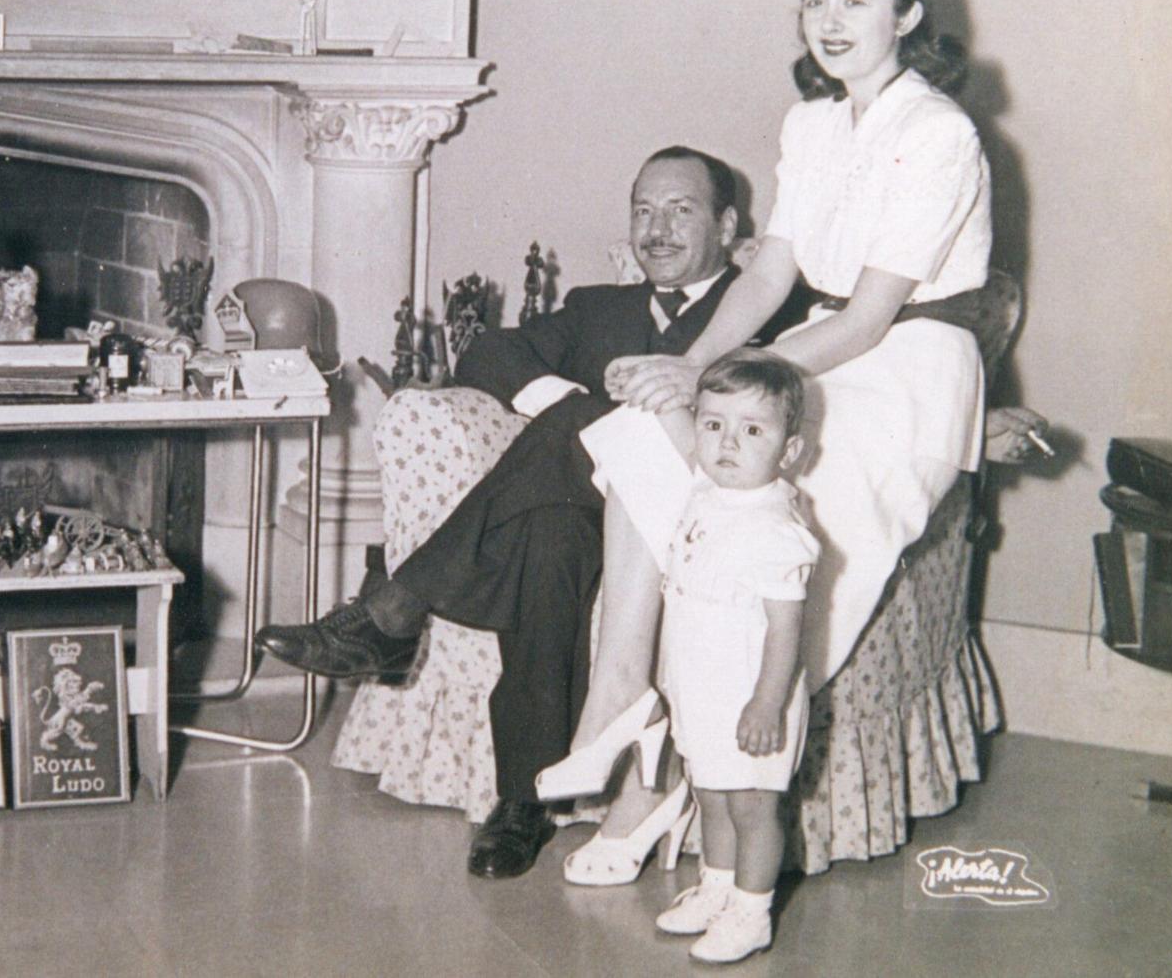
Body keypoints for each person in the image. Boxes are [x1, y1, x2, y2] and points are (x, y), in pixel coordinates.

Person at [540, 0, 992, 889]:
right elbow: (766, 273)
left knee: (758, 532)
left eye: (854, 0)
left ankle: (676, 777)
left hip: (902, 373)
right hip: (810, 349)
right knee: (643, 441)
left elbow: (868, 320)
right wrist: (684, 363)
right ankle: (620, 704)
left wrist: (717, 382)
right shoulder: (811, 122)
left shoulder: (937, 132)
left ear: (906, 13)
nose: (827, 21)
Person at [257, 145, 806, 879]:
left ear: (728, 222)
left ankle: (395, 607)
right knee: (544, 533)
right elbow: (486, 351)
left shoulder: (764, 307)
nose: (658, 229)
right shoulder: (596, 307)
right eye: (642, 210)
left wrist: (591, 416)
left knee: (590, 423)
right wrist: (567, 407)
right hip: (589, 511)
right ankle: (522, 799)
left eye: (680, 210)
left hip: (702, 518)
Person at [647, 352, 818, 964]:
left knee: (752, 805)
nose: (727, 442)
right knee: (710, 793)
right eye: (714, 424)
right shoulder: (709, 493)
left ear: (789, 449)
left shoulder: (775, 526)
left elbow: (785, 628)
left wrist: (768, 702)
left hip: (751, 694)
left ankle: (752, 910)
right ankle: (717, 887)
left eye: (752, 430)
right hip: (700, 686)